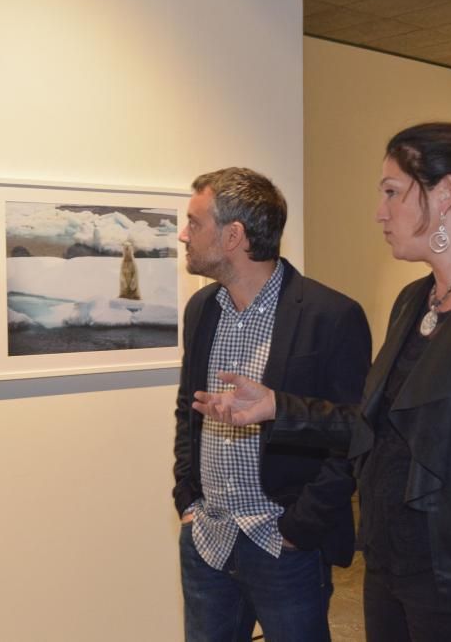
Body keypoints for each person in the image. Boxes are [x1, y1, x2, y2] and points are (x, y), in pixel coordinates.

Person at [194, 123, 451, 642]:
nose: (379, 212)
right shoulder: (414, 301)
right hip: (388, 567)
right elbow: (372, 425)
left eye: (391, 192)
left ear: (444, 194)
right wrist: (278, 407)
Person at [173, 167, 372, 642]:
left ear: (233, 236)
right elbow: (188, 409)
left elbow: (354, 432)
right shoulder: (201, 310)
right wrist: (187, 499)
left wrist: (300, 527)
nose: (184, 234)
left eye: (195, 222)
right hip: (207, 538)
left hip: (284, 543)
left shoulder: (331, 316)